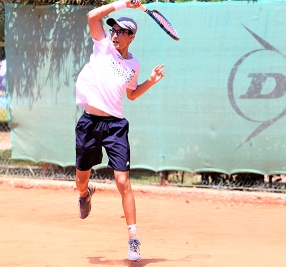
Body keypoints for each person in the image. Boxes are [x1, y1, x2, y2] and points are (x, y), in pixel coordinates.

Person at [74, 0, 165, 262]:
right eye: (113, 30)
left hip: (115, 126)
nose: (114, 34)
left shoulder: (133, 66)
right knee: (81, 180)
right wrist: (124, 4)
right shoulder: (102, 47)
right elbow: (93, 15)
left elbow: (132, 95)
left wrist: (150, 80)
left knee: (123, 181)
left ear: (131, 37)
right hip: (89, 123)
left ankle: (133, 239)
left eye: (120, 32)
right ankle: (85, 194)